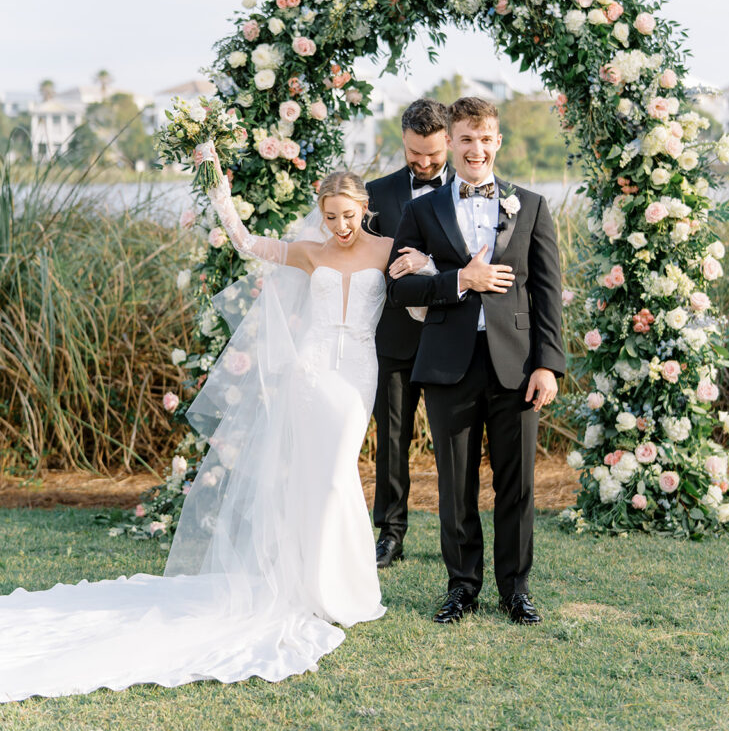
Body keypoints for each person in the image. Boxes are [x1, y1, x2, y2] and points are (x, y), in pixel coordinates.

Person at [0, 152, 425, 702]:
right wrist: (220, 196)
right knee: (318, 476)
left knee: (338, 471)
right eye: (331, 216)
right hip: (311, 370)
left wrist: (424, 268)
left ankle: (343, 586)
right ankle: (315, 586)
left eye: (349, 215)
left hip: (357, 372)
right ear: (321, 215)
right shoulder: (308, 252)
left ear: (365, 210)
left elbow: (422, 295)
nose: (341, 227)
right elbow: (250, 246)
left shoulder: (390, 250)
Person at [387, 97, 566, 626]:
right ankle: (462, 587)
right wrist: (459, 279)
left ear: (498, 143)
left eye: (486, 139)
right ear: (451, 141)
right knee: (455, 482)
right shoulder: (422, 210)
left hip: (516, 366)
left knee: (518, 483)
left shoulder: (530, 205)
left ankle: (516, 590)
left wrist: (547, 365)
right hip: (448, 365)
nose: (476, 149)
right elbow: (399, 290)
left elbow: (548, 293)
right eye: (466, 138)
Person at [365, 99, 453, 568]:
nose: (423, 163)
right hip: (393, 339)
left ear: (449, 143)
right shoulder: (375, 194)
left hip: (447, 338)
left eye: (433, 156)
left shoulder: (469, 189)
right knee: (392, 441)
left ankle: (454, 535)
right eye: (414, 154)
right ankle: (390, 533)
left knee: (452, 445)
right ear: (403, 141)